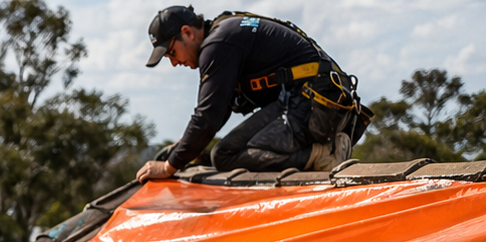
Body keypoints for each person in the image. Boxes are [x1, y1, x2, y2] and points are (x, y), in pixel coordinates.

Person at [136, 6, 371, 181]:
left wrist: (169, 167)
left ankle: (322, 155)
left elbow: (209, 116)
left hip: (315, 101)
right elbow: (221, 106)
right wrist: (186, 147)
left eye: (171, 53)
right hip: (301, 99)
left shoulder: (218, 45)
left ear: (187, 32)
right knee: (223, 153)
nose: (174, 63)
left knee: (224, 156)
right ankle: (314, 153)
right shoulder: (223, 34)